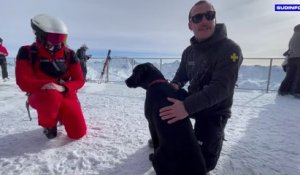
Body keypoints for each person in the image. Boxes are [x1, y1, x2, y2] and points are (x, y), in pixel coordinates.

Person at [159, 0, 243, 173]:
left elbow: (221, 88)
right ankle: (163, 138)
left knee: (201, 163)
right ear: (190, 25)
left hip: (214, 111)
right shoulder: (189, 52)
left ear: (214, 19)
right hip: (192, 101)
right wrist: (174, 85)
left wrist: (186, 107)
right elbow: (181, 75)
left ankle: (215, 136)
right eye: (197, 17)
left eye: (209, 15)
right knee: (162, 99)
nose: (204, 20)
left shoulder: (230, 49)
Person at [15, 14, 87, 140]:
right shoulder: (27, 52)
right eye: (55, 37)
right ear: (40, 35)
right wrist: (48, 86)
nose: (59, 41)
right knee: (52, 96)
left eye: (63, 38)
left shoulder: (69, 54)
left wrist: (63, 88)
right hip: (41, 95)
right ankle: (49, 125)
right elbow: (23, 81)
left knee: (78, 133)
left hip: (65, 93)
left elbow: (79, 80)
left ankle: (61, 113)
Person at [278, 24, 300, 98]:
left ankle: (283, 90)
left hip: (291, 59)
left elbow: (290, 49)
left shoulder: (293, 37)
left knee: (289, 76)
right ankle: (297, 92)